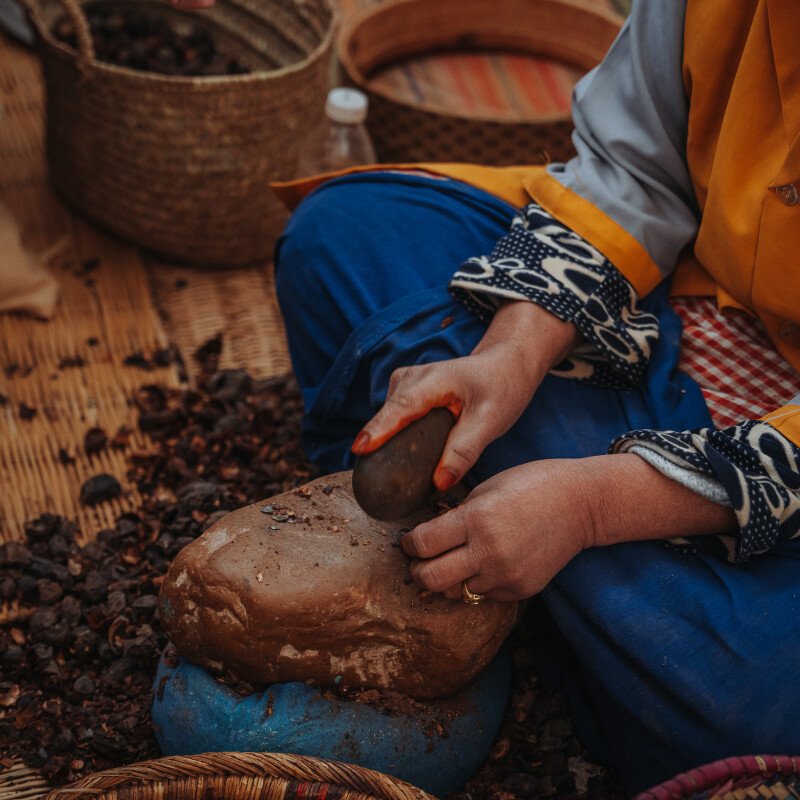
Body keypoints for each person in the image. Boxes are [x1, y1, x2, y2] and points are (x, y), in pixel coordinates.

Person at [175, 0, 800, 793]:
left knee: (745, 712)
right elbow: (637, 171)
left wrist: (596, 506)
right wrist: (511, 352)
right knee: (348, 234)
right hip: (675, 300)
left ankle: (569, 571)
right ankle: (600, 603)